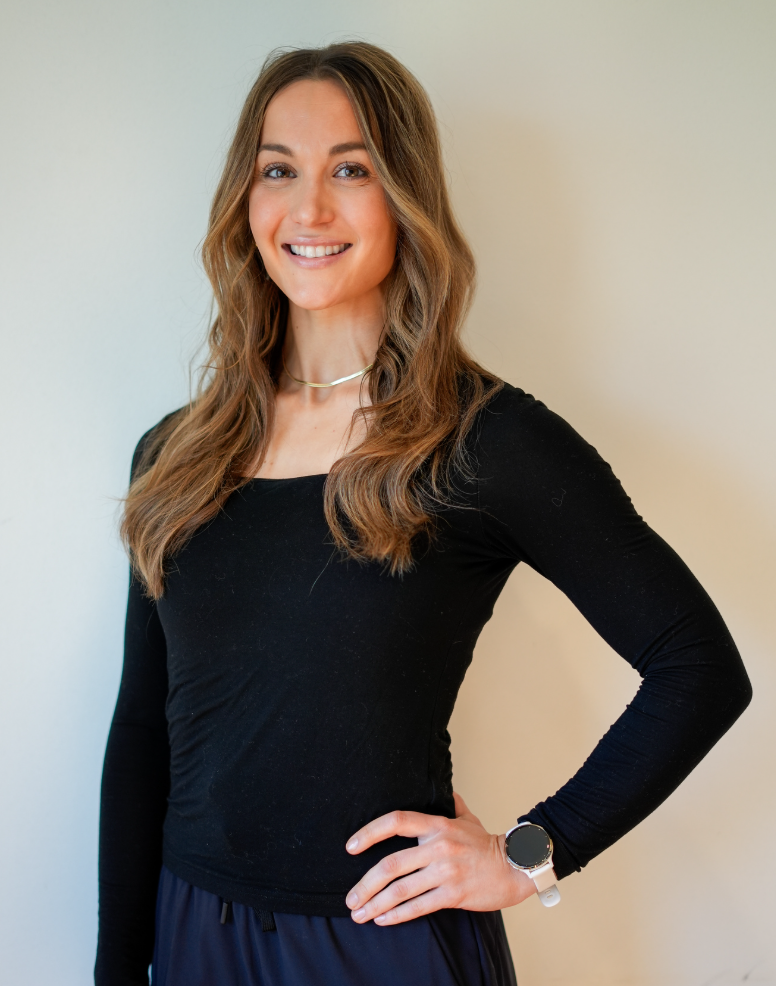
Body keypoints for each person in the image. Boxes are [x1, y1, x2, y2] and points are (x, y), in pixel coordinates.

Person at [94, 41, 752, 986]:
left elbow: (700, 667)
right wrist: (118, 969)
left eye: (351, 169)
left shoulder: (486, 441)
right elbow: (142, 731)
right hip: (196, 932)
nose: (309, 208)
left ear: (404, 197)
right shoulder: (175, 454)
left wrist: (530, 853)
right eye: (279, 169)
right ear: (246, 198)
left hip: (382, 941)